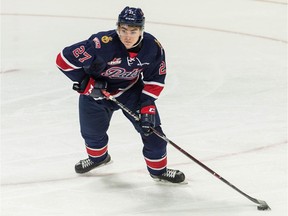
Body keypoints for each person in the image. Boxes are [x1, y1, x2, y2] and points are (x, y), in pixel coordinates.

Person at [56, 6, 185, 183]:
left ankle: (158, 170)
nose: (127, 36)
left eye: (133, 31)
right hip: (96, 94)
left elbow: (155, 79)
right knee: (91, 133)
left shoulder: (152, 47)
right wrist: (87, 83)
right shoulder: (101, 44)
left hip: (131, 92)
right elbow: (63, 59)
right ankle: (98, 158)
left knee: (153, 132)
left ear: (141, 30)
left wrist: (147, 104)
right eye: (123, 30)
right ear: (117, 28)